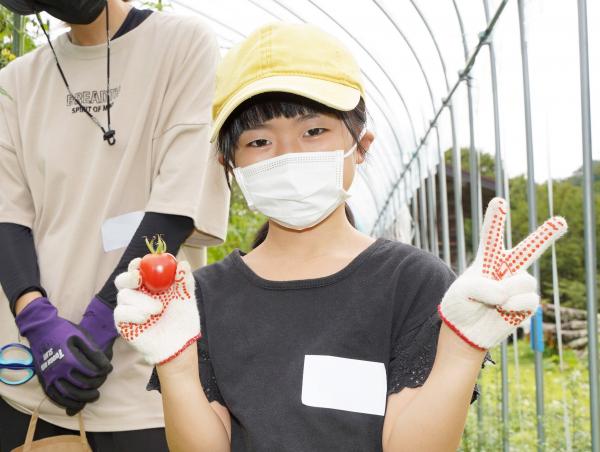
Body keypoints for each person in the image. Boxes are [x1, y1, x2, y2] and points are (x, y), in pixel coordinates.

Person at [113, 22, 568, 452]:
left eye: (314, 131)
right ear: (229, 165)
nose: (288, 155)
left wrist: (460, 354)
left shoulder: (413, 283)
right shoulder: (204, 297)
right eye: (258, 142)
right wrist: (176, 365)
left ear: (360, 147)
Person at [0, 0, 229, 450]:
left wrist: (101, 323)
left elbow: (177, 204)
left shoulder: (182, 46)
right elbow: (7, 213)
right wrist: (37, 319)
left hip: (142, 382)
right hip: (26, 376)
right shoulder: (15, 82)